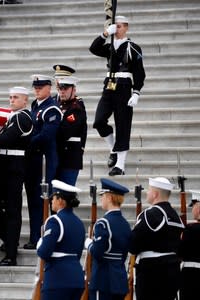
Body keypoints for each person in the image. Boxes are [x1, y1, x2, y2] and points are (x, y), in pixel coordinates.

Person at [90, 15, 146, 176]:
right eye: (115, 26)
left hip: (124, 88)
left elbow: (139, 72)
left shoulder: (133, 47)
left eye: (120, 26)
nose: (117, 29)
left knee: (123, 125)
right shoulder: (109, 47)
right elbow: (93, 48)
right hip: (109, 86)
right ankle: (113, 149)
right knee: (99, 121)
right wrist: (105, 34)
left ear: (127, 27)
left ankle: (120, 165)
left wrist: (136, 92)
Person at [0, 86, 32, 265]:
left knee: (12, 210)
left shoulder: (23, 118)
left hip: (13, 166)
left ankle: (11, 254)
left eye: (15, 97)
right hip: (1, 165)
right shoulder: (11, 118)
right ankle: (8, 238)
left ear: (24, 101)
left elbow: (6, 139)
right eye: (10, 97)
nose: (11, 100)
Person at [130, 177, 184, 300]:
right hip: (172, 270)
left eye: (149, 190)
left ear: (155, 194)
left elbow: (134, 244)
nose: (147, 193)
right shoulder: (176, 216)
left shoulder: (151, 214)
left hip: (151, 272)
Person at [24, 74, 62, 249]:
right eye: (35, 87)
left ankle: (42, 237)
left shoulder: (52, 109)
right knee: (33, 199)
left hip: (44, 161)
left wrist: (25, 141)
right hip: (33, 160)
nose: (37, 90)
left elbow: (47, 135)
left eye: (41, 87)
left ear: (49, 88)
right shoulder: (35, 105)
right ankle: (34, 236)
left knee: (42, 199)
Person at [36, 179, 85, 300]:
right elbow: (78, 254)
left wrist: (40, 244)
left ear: (60, 200)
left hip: (57, 279)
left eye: (53, 198)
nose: (51, 201)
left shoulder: (55, 221)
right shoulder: (79, 223)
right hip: (76, 279)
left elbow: (44, 252)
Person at [85, 178, 132, 300]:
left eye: (103, 195)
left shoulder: (103, 223)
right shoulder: (125, 224)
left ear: (110, 197)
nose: (101, 198)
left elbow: (97, 253)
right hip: (119, 280)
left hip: (103, 280)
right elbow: (123, 254)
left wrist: (89, 243)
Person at [55, 76, 87, 185]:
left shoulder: (76, 108)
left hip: (70, 159)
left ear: (73, 90)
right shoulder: (57, 104)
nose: (62, 92)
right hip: (57, 156)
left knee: (65, 195)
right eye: (60, 89)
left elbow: (64, 132)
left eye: (65, 89)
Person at [178, 190, 200, 300]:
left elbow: (180, 253)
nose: (192, 210)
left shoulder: (191, 229)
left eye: (194, 207)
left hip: (192, 275)